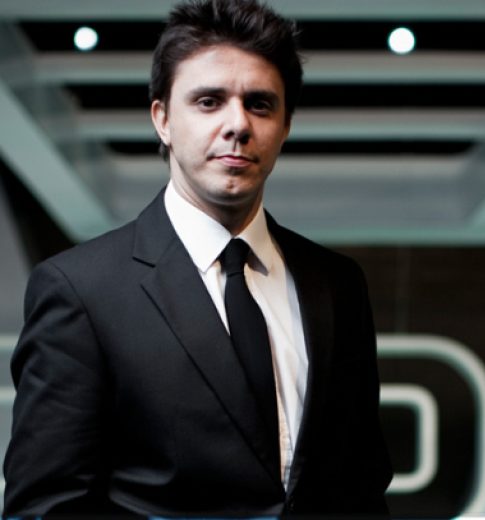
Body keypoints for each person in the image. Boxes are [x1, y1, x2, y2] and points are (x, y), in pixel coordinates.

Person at [3, 0, 393, 517]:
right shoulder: (81, 290)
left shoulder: (337, 284)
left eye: (260, 105)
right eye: (209, 102)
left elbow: (362, 487)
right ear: (162, 119)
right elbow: (46, 507)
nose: (238, 124)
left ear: (285, 126)